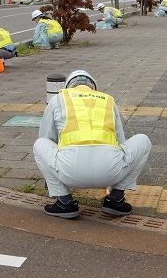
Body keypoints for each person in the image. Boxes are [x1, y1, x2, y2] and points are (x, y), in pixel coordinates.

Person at [33, 70, 152, 219]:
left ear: (68, 87)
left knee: (39, 144)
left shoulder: (58, 98)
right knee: (143, 140)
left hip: (70, 172)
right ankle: (116, 199)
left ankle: (64, 201)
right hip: (110, 172)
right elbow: (121, 142)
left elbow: (47, 137)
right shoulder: (108, 100)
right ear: (93, 88)